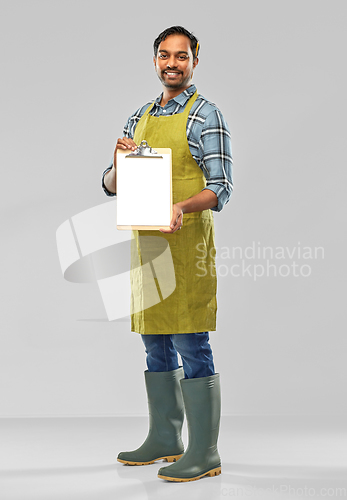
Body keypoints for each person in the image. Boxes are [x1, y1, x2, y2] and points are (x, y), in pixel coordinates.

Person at [102, 26, 233, 482]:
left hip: (187, 244)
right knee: (154, 342)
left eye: (181, 55)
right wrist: (117, 162)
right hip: (148, 247)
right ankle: (164, 437)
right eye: (164, 55)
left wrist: (180, 205)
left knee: (190, 343)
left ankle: (205, 452)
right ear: (155, 61)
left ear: (195, 60)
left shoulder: (205, 116)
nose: (171, 63)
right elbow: (110, 185)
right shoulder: (139, 116)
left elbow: (221, 188)